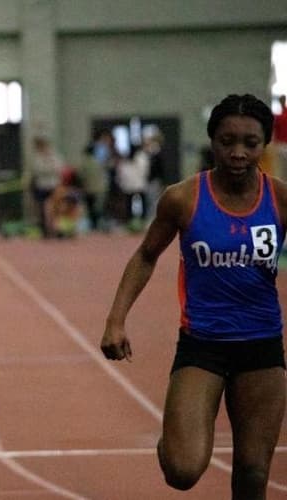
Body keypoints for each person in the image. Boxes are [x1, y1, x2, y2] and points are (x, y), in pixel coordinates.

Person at [101, 94, 285, 499]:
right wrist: (116, 319)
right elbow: (146, 255)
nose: (237, 153)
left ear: (264, 145)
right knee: (182, 470)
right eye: (227, 141)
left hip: (262, 346)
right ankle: (174, 439)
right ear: (212, 141)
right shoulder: (183, 198)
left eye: (250, 143)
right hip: (203, 345)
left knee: (253, 474)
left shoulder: (280, 199)